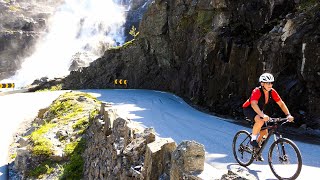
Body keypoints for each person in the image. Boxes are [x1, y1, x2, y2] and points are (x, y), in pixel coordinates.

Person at [242, 73, 294, 154]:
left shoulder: (272, 91)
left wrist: (288, 115)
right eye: (268, 83)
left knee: (264, 133)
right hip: (249, 109)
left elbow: (281, 103)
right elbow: (253, 104)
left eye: (272, 83)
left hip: (259, 110)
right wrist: (262, 115)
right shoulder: (257, 91)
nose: (270, 85)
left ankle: (256, 149)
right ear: (262, 83)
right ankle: (253, 139)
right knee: (260, 120)